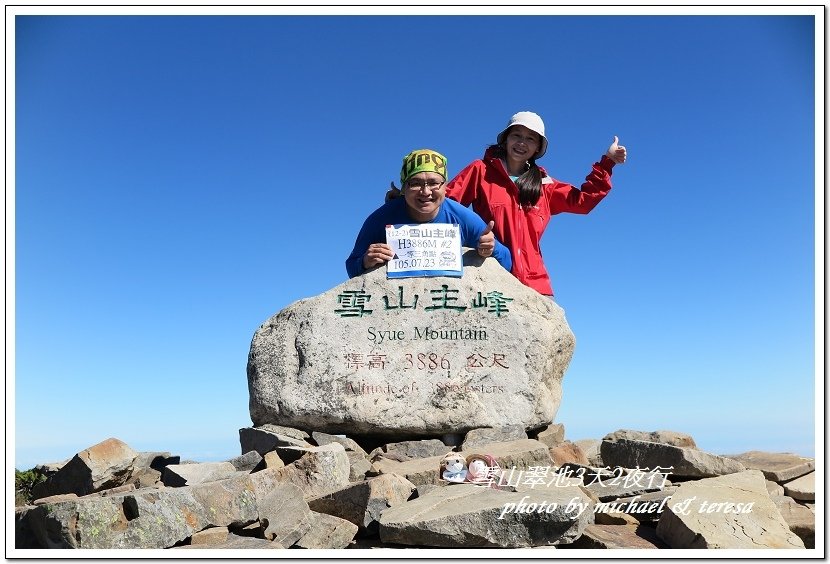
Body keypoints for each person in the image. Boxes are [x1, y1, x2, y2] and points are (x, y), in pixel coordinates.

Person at [387, 112, 627, 297]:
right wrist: (406, 200)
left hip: (536, 283)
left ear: (538, 148)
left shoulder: (545, 185)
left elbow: (583, 202)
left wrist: (607, 164)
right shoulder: (480, 171)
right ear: (505, 139)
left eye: (530, 139)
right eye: (517, 135)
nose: (522, 143)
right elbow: (445, 202)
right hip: (492, 275)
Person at [346, 149, 512, 278]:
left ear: (445, 186)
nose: (425, 192)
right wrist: (365, 262)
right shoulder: (380, 219)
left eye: (434, 183)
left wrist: (492, 247)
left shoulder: (463, 218)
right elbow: (352, 266)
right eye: (415, 183)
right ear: (404, 188)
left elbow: (507, 261)